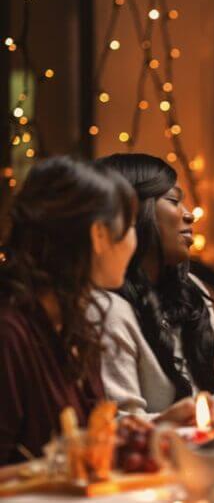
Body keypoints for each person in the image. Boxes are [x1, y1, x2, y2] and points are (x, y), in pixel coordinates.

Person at [96, 154, 214, 422]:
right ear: (132, 214)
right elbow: (121, 426)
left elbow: (210, 400)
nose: (188, 214)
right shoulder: (107, 309)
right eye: (173, 201)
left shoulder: (190, 290)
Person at [0, 157, 137, 464]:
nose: (133, 241)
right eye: (129, 226)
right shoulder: (10, 333)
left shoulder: (73, 323)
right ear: (99, 235)